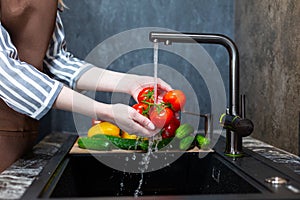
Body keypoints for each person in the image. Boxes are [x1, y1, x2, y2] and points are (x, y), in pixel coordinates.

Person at [0, 0, 171, 172]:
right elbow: (7, 74)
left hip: (23, 135)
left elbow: (56, 60)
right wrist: (105, 111)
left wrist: (129, 82)